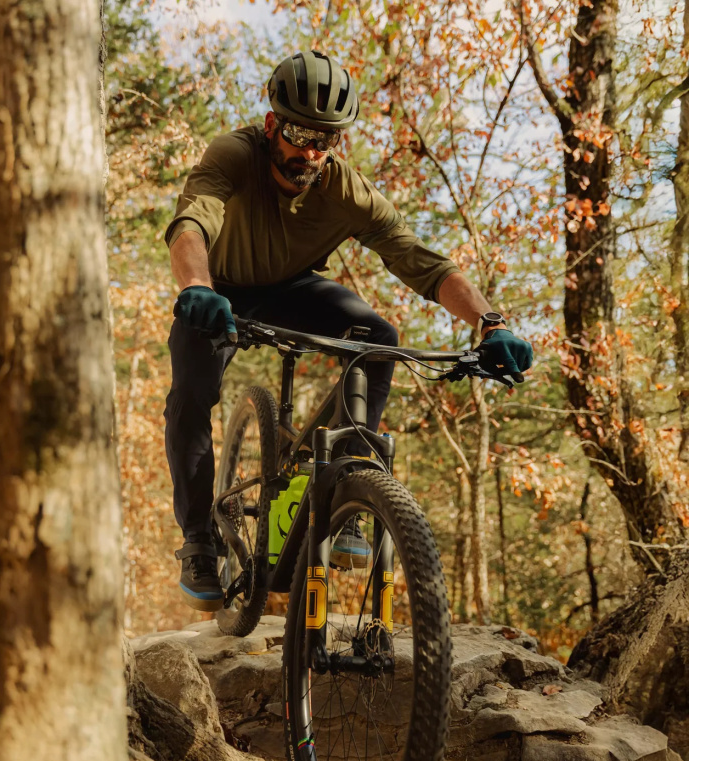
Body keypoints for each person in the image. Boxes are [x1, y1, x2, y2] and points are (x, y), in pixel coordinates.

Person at [163, 50, 533, 611]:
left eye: (325, 140)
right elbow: (192, 222)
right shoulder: (234, 154)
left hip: (293, 288)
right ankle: (198, 542)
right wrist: (196, 285)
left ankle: (345, 485)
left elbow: (420, 260)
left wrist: (490, 322)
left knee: (378, 336)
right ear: (272, 125)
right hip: (218, 290)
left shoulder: (343, 188)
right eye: (298, 135)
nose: (310, 152)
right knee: (190, 396)